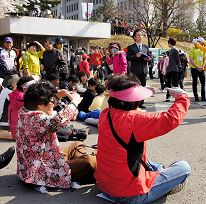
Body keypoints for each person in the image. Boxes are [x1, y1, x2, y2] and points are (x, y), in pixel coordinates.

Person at [94, 74, 191, 203]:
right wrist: (182, 97)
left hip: (104, 186)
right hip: (130, 195)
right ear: (134, 99)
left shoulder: (105, 114)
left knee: (142, 159)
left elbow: (122, 96)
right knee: (184, 168)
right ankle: (161, 181)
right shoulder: (134, 120)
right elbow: (170, 119)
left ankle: (159, 175)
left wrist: (141, 90)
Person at [16, 81, 96, 193]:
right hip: (41, 171)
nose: (53, 103)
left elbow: (50, 112)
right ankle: (75, 172)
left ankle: (77, 169)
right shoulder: (37, 119)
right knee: (90, 160)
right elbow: (59, 120)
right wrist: (74, 102)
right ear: (40, 104)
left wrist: (57, 96)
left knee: (77, 145)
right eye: (52, 100)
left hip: (41, 159)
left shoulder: (25, 112)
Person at [126, 29, 152, 108]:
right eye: (138, 35)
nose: (140, 36)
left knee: (143, 86)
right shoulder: (131, 47)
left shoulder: (145, 47)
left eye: (141, 35)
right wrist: (135, 56)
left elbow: (150, 56)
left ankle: (141, 103)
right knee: (134, 87)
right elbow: (128, 57)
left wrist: (149, 59)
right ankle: (134, 103)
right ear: (134, 37)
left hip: (144, 70)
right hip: (135, 71)